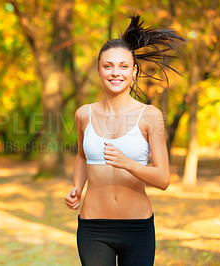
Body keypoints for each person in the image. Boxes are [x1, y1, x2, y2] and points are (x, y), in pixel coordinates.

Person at [64, 14, 185, 266]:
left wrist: (127, 163)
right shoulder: (83, 114)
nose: (115, 72)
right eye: (107, 66)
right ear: (98, 70)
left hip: (137, 228)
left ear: (134, 70)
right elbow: (82, 156)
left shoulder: (149, 116)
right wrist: (77, 187)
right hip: (93, 229)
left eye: (123, 66)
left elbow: (163, 179)